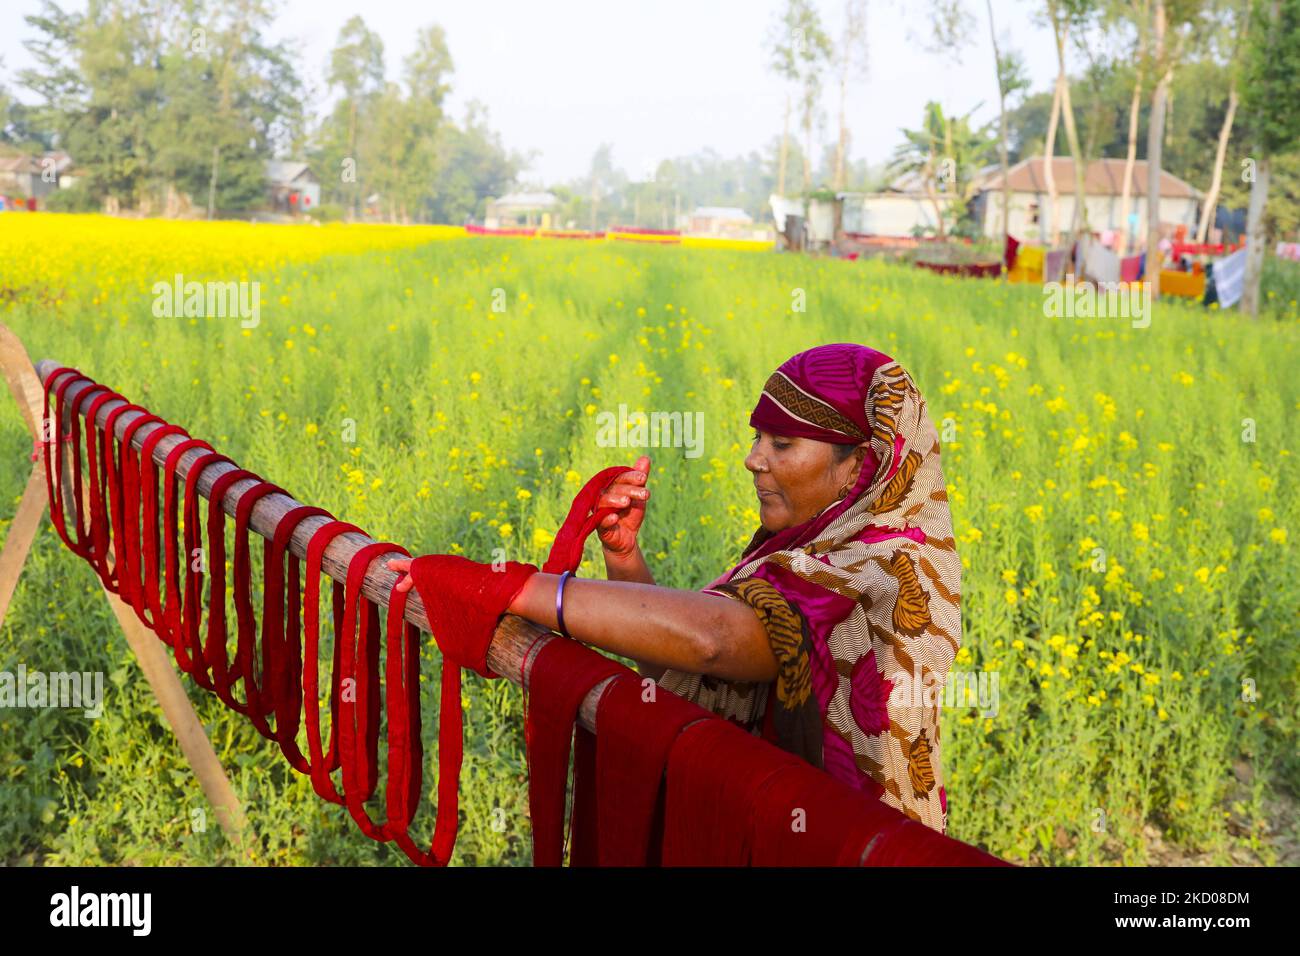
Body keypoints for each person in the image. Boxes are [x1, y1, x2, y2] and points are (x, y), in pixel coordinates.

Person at [390, 343, 962, 834]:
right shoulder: (807, 546)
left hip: (851, 845)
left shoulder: (883, 561)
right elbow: (695, 662)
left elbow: (712, 639)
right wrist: (624, 557)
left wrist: (502, 588)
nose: (752, 459)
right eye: (758, 437)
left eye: (782, 445)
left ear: (859, 462)